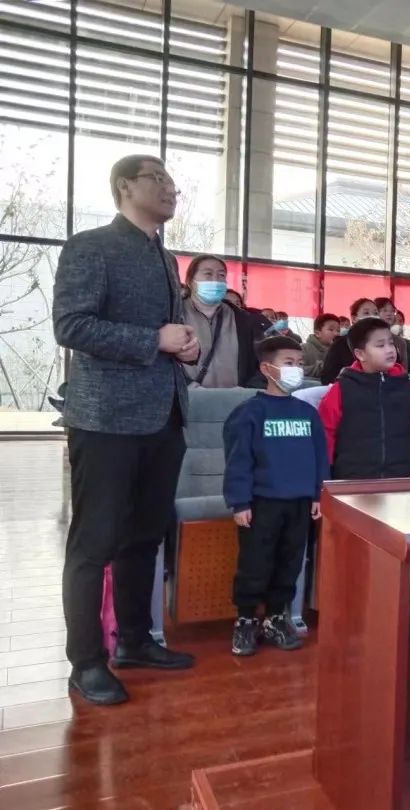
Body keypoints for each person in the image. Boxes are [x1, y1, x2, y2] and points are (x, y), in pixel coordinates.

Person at [53, 154, 197, 706]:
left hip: (164, 415)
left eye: (171, 180)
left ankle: (135, 640)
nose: (169, 187)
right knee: (95, 541)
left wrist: (184, 346)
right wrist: (153, 340)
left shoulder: (165, 256)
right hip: (106, 419)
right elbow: (72, 325)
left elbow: (166, 333)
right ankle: (86, 661)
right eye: (156, 178)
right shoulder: (91, 246)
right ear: (123, 187)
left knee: (145, 535)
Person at [222, 337, 328, 656]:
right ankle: (245, 620)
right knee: (255, 564)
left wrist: (318, 494)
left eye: (299, 363)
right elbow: (238, 461)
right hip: (262, 504)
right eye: (288, 363)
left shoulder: (308, 414)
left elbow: (319, 458)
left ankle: (276, 617)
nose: (296, 369)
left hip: (299, 504)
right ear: (266, 369)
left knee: (289, 563)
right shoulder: (249, 413)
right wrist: (240, 502)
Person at [318, 317, 410, 479]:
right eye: (380, 345)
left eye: (391, 343)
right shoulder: (341, 389)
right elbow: (326, 436)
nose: (390, 350)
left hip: (401, 478)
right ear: (360, 354)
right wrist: (324, 478)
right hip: (352, 480)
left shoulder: (407, 388)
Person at [180, 254, 263, 388]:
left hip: (234, 397)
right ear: (190, 281)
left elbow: (260, 363)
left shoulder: (243, 319)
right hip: (187, 397)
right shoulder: (175, 314)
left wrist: (247, 389)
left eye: (221, 275)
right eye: (208, 274)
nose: (216, 280)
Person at [320, 297, 380, 384]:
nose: (372, 316)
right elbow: (327, 377)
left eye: (376, 313)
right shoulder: (340, 344)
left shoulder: (384, 343)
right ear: (354, 318)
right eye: (366, 313)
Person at [375, 297, 410, 374]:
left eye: (392, 311)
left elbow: (404, 370)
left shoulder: (400, 342)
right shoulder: (366, 338)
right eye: (384, 310)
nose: (389, 314)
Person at [302, 313, 340, 378]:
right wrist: (321, 367)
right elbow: (298, 370)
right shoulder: (304, 348)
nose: (336, 333)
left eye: (338, 330)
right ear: (317, 333)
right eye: (331, 329)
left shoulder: (339, 350)